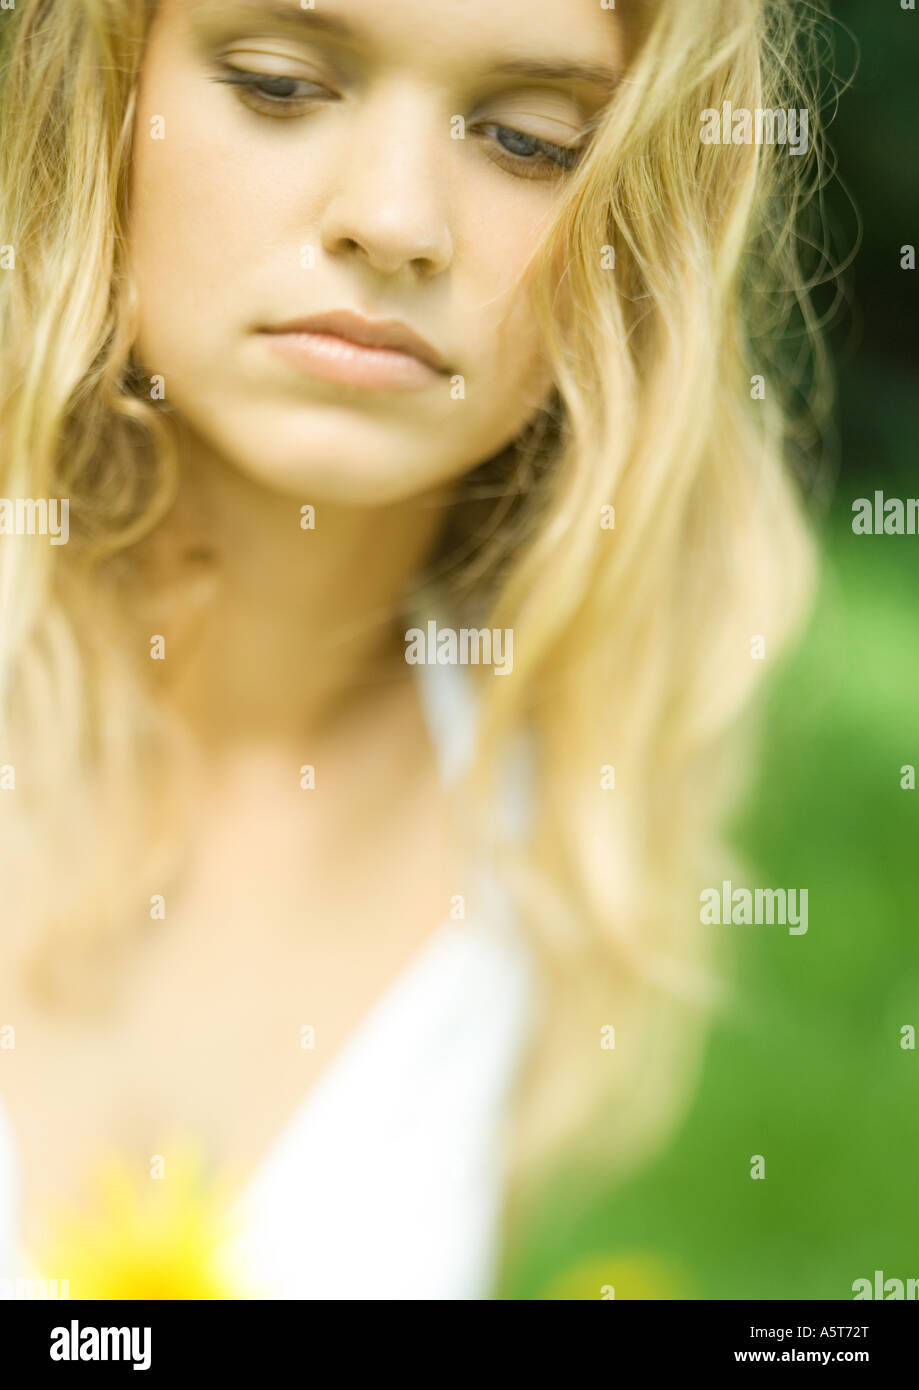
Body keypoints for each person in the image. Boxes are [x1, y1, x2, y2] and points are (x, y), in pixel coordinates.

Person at [0, 0, 825, 1298]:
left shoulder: (556, 840)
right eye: (279, 86)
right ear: (100, 89)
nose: (392, 220)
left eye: (527, 140)